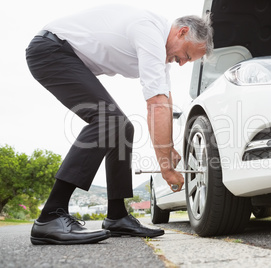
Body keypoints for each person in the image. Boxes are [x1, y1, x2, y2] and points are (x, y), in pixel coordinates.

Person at [25, 4, 213, 245]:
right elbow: (155, 103)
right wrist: (166, 167)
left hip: (65, 54)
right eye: (187, 54)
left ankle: (116, 216)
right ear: (182, 32)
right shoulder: (149, 31)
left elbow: (165, 100)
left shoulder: (160, 51)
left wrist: (169, 148)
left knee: (123, 128)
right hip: (51, 50)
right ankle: (50, 215)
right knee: (109, 121)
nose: (183, 63)